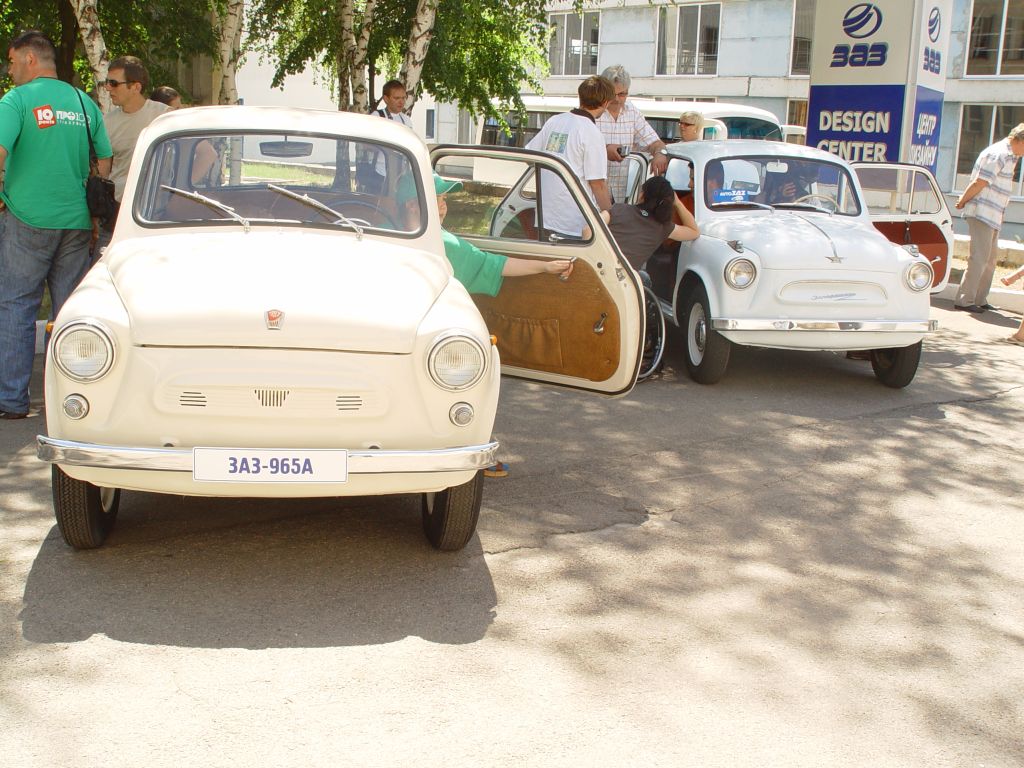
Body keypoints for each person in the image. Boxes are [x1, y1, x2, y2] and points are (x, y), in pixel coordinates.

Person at [0, 30, 112, 419]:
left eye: (12, 61)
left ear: (29, 59)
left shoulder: (16, 101)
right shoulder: (83, 102)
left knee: (17, 305)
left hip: (27, 218)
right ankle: (67, 399)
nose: (9, 69)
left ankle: (12, 400)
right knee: (69, 312)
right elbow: (105, 160)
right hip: (76, 221)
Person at [526, 75, 615, 239]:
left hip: (545, 217)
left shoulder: (555, 121)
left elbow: (529, 157)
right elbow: (597, 184)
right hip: (574, 223)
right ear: (605, 102)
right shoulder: (591, 133)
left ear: (580, 97)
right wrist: (611, 216)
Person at [953, 123, 1024, 314]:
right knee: (979, 258)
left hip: (994, 214)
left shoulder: (1011, 156)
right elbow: (979, 182)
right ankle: (965, 300)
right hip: (982, 212)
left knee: (990, 260)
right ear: (1019, 140)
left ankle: (980, 298)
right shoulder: (997, 154)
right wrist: (963, 200)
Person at [584, 176, 699, 270]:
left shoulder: (618, 209)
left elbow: (588, 230)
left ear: (642, 195)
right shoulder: (664, 227)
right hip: (624, 282)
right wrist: (678, 203)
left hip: (597, 270)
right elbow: (694, 232)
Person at [102, 56, 170, 206]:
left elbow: (206, 153)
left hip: (156, 209)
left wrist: (178, 195)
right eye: (107, 82)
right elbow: (103, 170)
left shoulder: (164, 116)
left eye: (114, 83)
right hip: (118, 207)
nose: (107, 88)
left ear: (136, 87)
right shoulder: (107, 122)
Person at [596, 66, 669, 203]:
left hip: (621, 195)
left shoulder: (632, 112)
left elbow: (654, 142)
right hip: (593, 193)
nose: (616, 99)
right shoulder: (593, 111)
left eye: (622, 94)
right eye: (612, 94)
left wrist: (660, 153)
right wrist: (604, 151)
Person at [149, 84, 219, 186]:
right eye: (176, 108)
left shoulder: (180, 132)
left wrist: (184, 184)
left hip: (170, 189)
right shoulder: (151, 131)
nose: (180, 112)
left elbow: (209, 154)